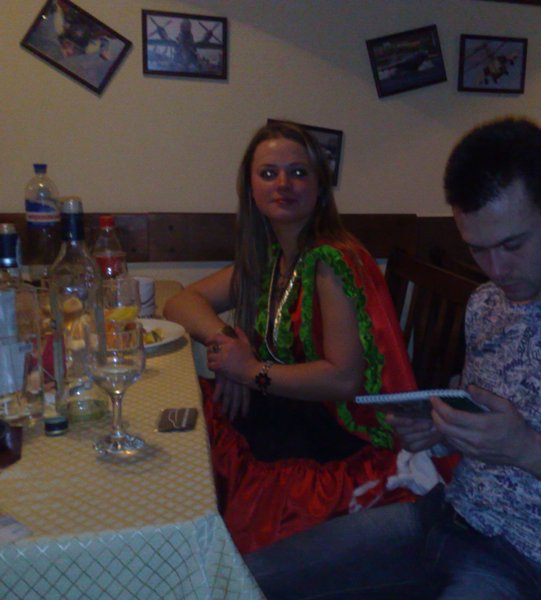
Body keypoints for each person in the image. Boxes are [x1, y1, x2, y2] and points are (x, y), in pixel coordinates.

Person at [243, 116, 541, 599]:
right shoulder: (487, 303)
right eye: (478, 249)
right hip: (444, 517)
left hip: (535, 565)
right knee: (241, 579)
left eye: (512, 244)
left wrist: (531, 452)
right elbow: (480, 425)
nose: (497, 269)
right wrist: (440, 433)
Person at [163, 121, 437, 554]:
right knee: (184, 421)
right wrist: (227, 343)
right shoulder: (275, 255)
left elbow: (343, 379)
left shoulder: (331, 259)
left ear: (320, 187)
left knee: (193, 444)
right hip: (290, 408)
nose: (283, 184)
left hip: (335, 433)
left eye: (298, 172)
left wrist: (249, 371)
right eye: (268, 173)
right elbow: (180, 303)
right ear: (250, 188)